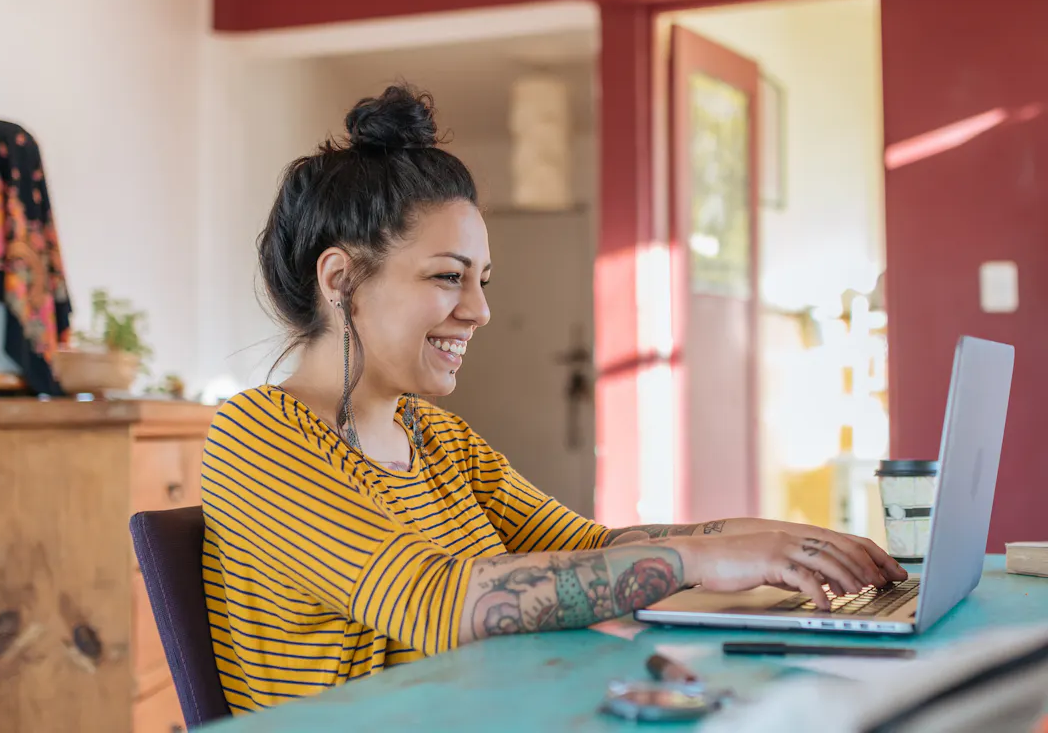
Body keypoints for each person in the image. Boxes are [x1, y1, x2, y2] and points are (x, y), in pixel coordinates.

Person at [200, 85, 906, 713]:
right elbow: (431, 603)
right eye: (449, 277)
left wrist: (776, 543)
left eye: (483, 281)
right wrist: (702, 562)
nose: (478, 311)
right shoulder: (257, 435)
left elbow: (592, 549)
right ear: (341, 277)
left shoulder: (440, 442)